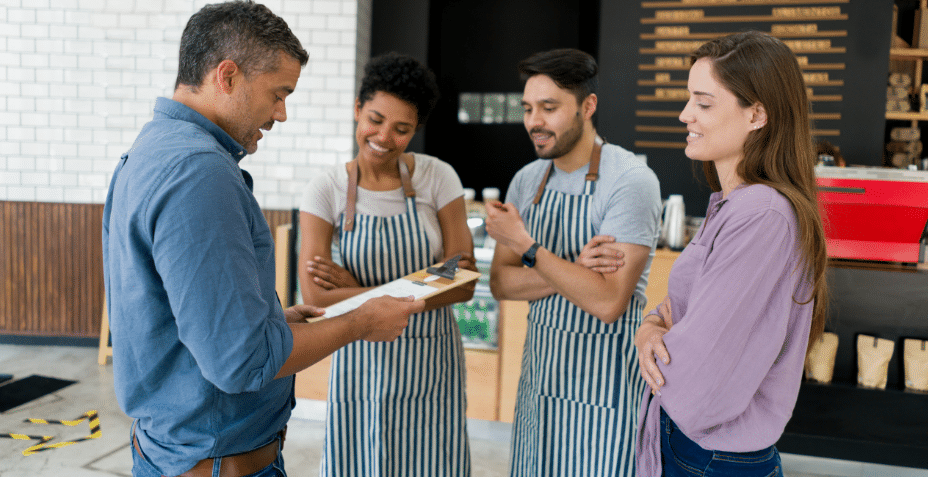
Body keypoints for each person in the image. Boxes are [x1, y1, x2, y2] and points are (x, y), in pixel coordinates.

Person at [102, 3, 423, 476]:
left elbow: (185, 313)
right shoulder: (199, 173)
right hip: (216, 459)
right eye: (278, 94)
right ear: (227, 76)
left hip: (173, 448)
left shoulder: (150, 150)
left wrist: (272, 318)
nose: (282, 113)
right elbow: (241, 362)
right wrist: (360, 323)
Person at [634, 31, 829, 477]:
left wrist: (658, 337)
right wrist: (650, 327)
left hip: (711, 456)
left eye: (703, 103)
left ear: (757, 113)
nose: (686, 114)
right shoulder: (735, 205)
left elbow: (697, 369)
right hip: (701, 449)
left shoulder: (762, 214)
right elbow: (676, 310)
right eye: (689, 100)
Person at [485, 48, 662, 477]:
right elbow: (501, 284)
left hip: (606, 394)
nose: (534, 122)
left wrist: (531, 251)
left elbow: (606, 302)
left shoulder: (630, 181)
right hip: (539, 387)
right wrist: (572, 271)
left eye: (549, 108)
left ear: (588, 106)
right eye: (528, 109)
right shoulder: (527, 181)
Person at [298, 52, 476, 476]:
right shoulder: (327, 188)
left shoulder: (438, 178)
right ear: (357, 110)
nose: (383, 136)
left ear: (415, 130)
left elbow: (465, 281)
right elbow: (316, 296)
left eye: (402, 129)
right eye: (374, 119)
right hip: (359, 358)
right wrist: (429, 282)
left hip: (432, 364)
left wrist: (355, 289)